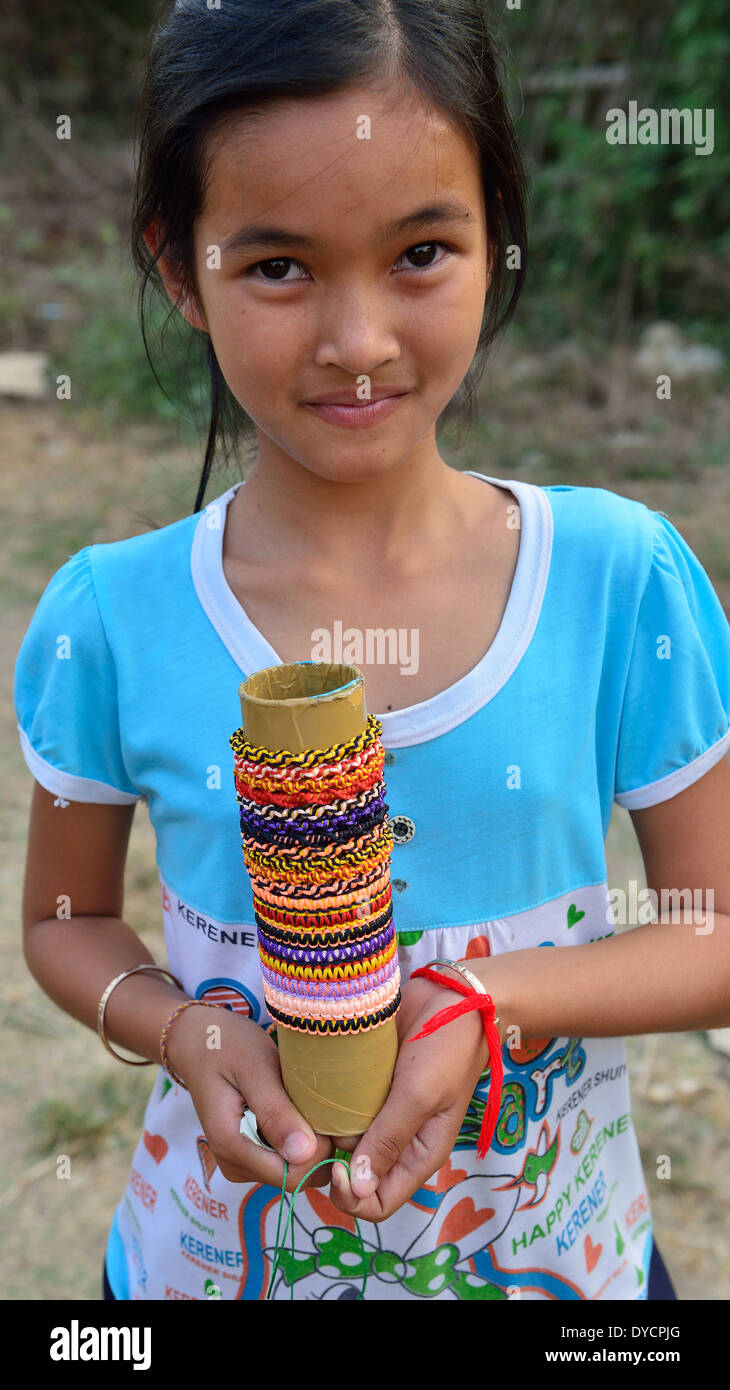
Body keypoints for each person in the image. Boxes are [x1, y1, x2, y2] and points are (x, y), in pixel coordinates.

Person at [14, 0, 730, 1302]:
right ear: (178, 269)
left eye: (418, 253)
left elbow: (713, 929)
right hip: (206, 1270)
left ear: (494, 241)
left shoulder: (614, 579)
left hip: (558, 1274)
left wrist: (482, 1001)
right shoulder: (109, 614)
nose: (357, 341)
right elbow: (69, 923)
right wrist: (178, 1023)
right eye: (277, 267)